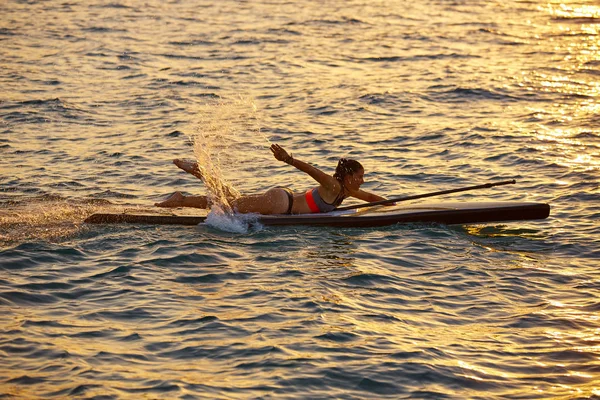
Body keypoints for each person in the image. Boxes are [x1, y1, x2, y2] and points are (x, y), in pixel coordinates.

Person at [155, 144, 389, 214]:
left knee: (230, 200)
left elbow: (370, 197)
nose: (363, 181)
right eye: (360, 176)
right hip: (280, 204)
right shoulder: (333, 184)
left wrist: (393, 205)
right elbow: (311, 170)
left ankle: (196, 179)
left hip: (282, 200)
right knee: (227, 207)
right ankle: (184, 195)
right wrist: (288, 159)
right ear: (348, 176)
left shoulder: (346, 191)